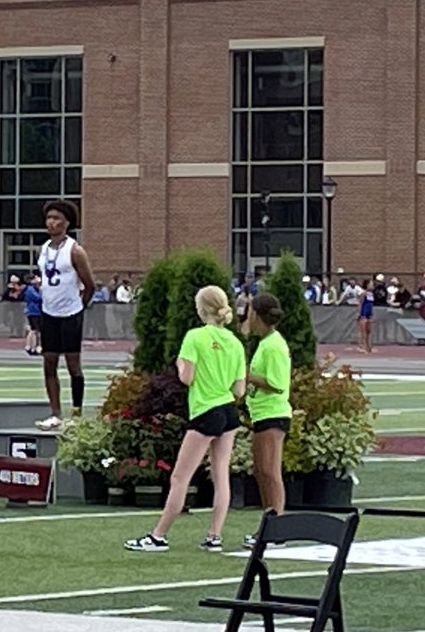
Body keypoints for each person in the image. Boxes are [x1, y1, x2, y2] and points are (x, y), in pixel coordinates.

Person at [125, 285, 246, 552]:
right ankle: (214, 535)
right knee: (221, 474)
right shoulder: (235, 342)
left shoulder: (195, 337)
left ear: (201, 309)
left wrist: (182, 364)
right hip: (227, 409)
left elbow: (186, 377)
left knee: (181, 477)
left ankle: (159, 535)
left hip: (205, 410)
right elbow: (239, 389)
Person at [35, 200, 95, 430]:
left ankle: (76, 413)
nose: (52, 222)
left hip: (70, 313)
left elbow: (89, 285)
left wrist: (79, 307)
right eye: (49, 218)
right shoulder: (44, 249)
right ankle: (55, 413)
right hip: (48, 312)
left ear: (67, 223)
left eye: (57, 218)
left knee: (73, 365)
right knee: (49, 362)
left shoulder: (75, 250)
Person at [243, 291, 292, 549]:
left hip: (273, 413)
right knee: (261, 471)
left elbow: (277, 383)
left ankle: (278, 529)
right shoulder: (264, 343)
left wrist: (247, 376)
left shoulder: (274, 345)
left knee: (270, 472)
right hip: (261, 413)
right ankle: (268, 524)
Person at [23, 273, 43, 356]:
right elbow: (38, 298)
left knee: (34, 330)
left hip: (35, 311)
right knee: (34, 330)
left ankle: (30, 346)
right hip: (33, 312)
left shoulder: (33, 289)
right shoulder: (30, 289)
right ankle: (32, 347)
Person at [357, 278, 374, 354]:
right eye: (371, 284)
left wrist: (371, 315)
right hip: (363, 313)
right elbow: (360, 303)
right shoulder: (363, 293)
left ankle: (368, 345)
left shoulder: (371, 294)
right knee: (363, 331)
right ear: (367, 285)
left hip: (369, 313)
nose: (372, 286)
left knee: (369, 330)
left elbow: (371, 305)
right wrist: (359, 314)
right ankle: (362, 346)